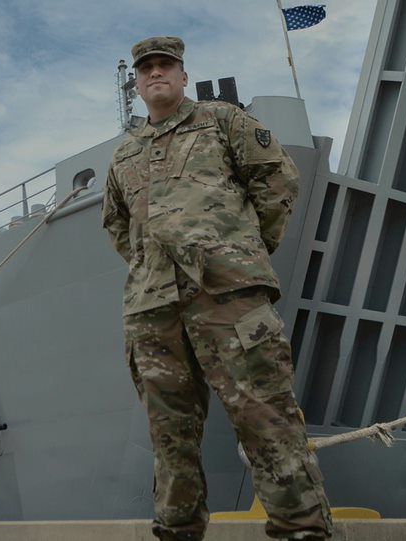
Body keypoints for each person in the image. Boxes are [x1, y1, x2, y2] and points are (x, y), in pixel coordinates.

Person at [102, 36, 334, 541]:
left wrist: (241, 251)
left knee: (264, 415)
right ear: (137, 83)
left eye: (166, 66)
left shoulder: (224, 121)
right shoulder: (124, 157)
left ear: (184, 76)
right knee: (170, 432)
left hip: (228, 296)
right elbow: (119, 227)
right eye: (146, 69)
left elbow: (276, 181)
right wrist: (150, 271)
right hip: (154, 311)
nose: (155, 73)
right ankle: (178, 530)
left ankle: (301, 529)